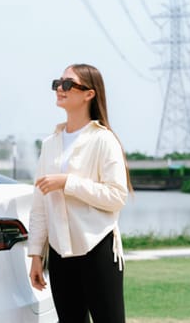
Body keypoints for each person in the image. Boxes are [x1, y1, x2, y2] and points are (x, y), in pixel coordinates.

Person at [27, 63, 132, 322]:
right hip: (59, 253)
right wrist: (36, 254)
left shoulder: (104, 140)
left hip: (97, 247)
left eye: (67, 84)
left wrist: (68, 183)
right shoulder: (50, 144)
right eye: (57, 83)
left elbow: (117, 196)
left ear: (89, 94)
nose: (59, 89)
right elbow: (40, 204)